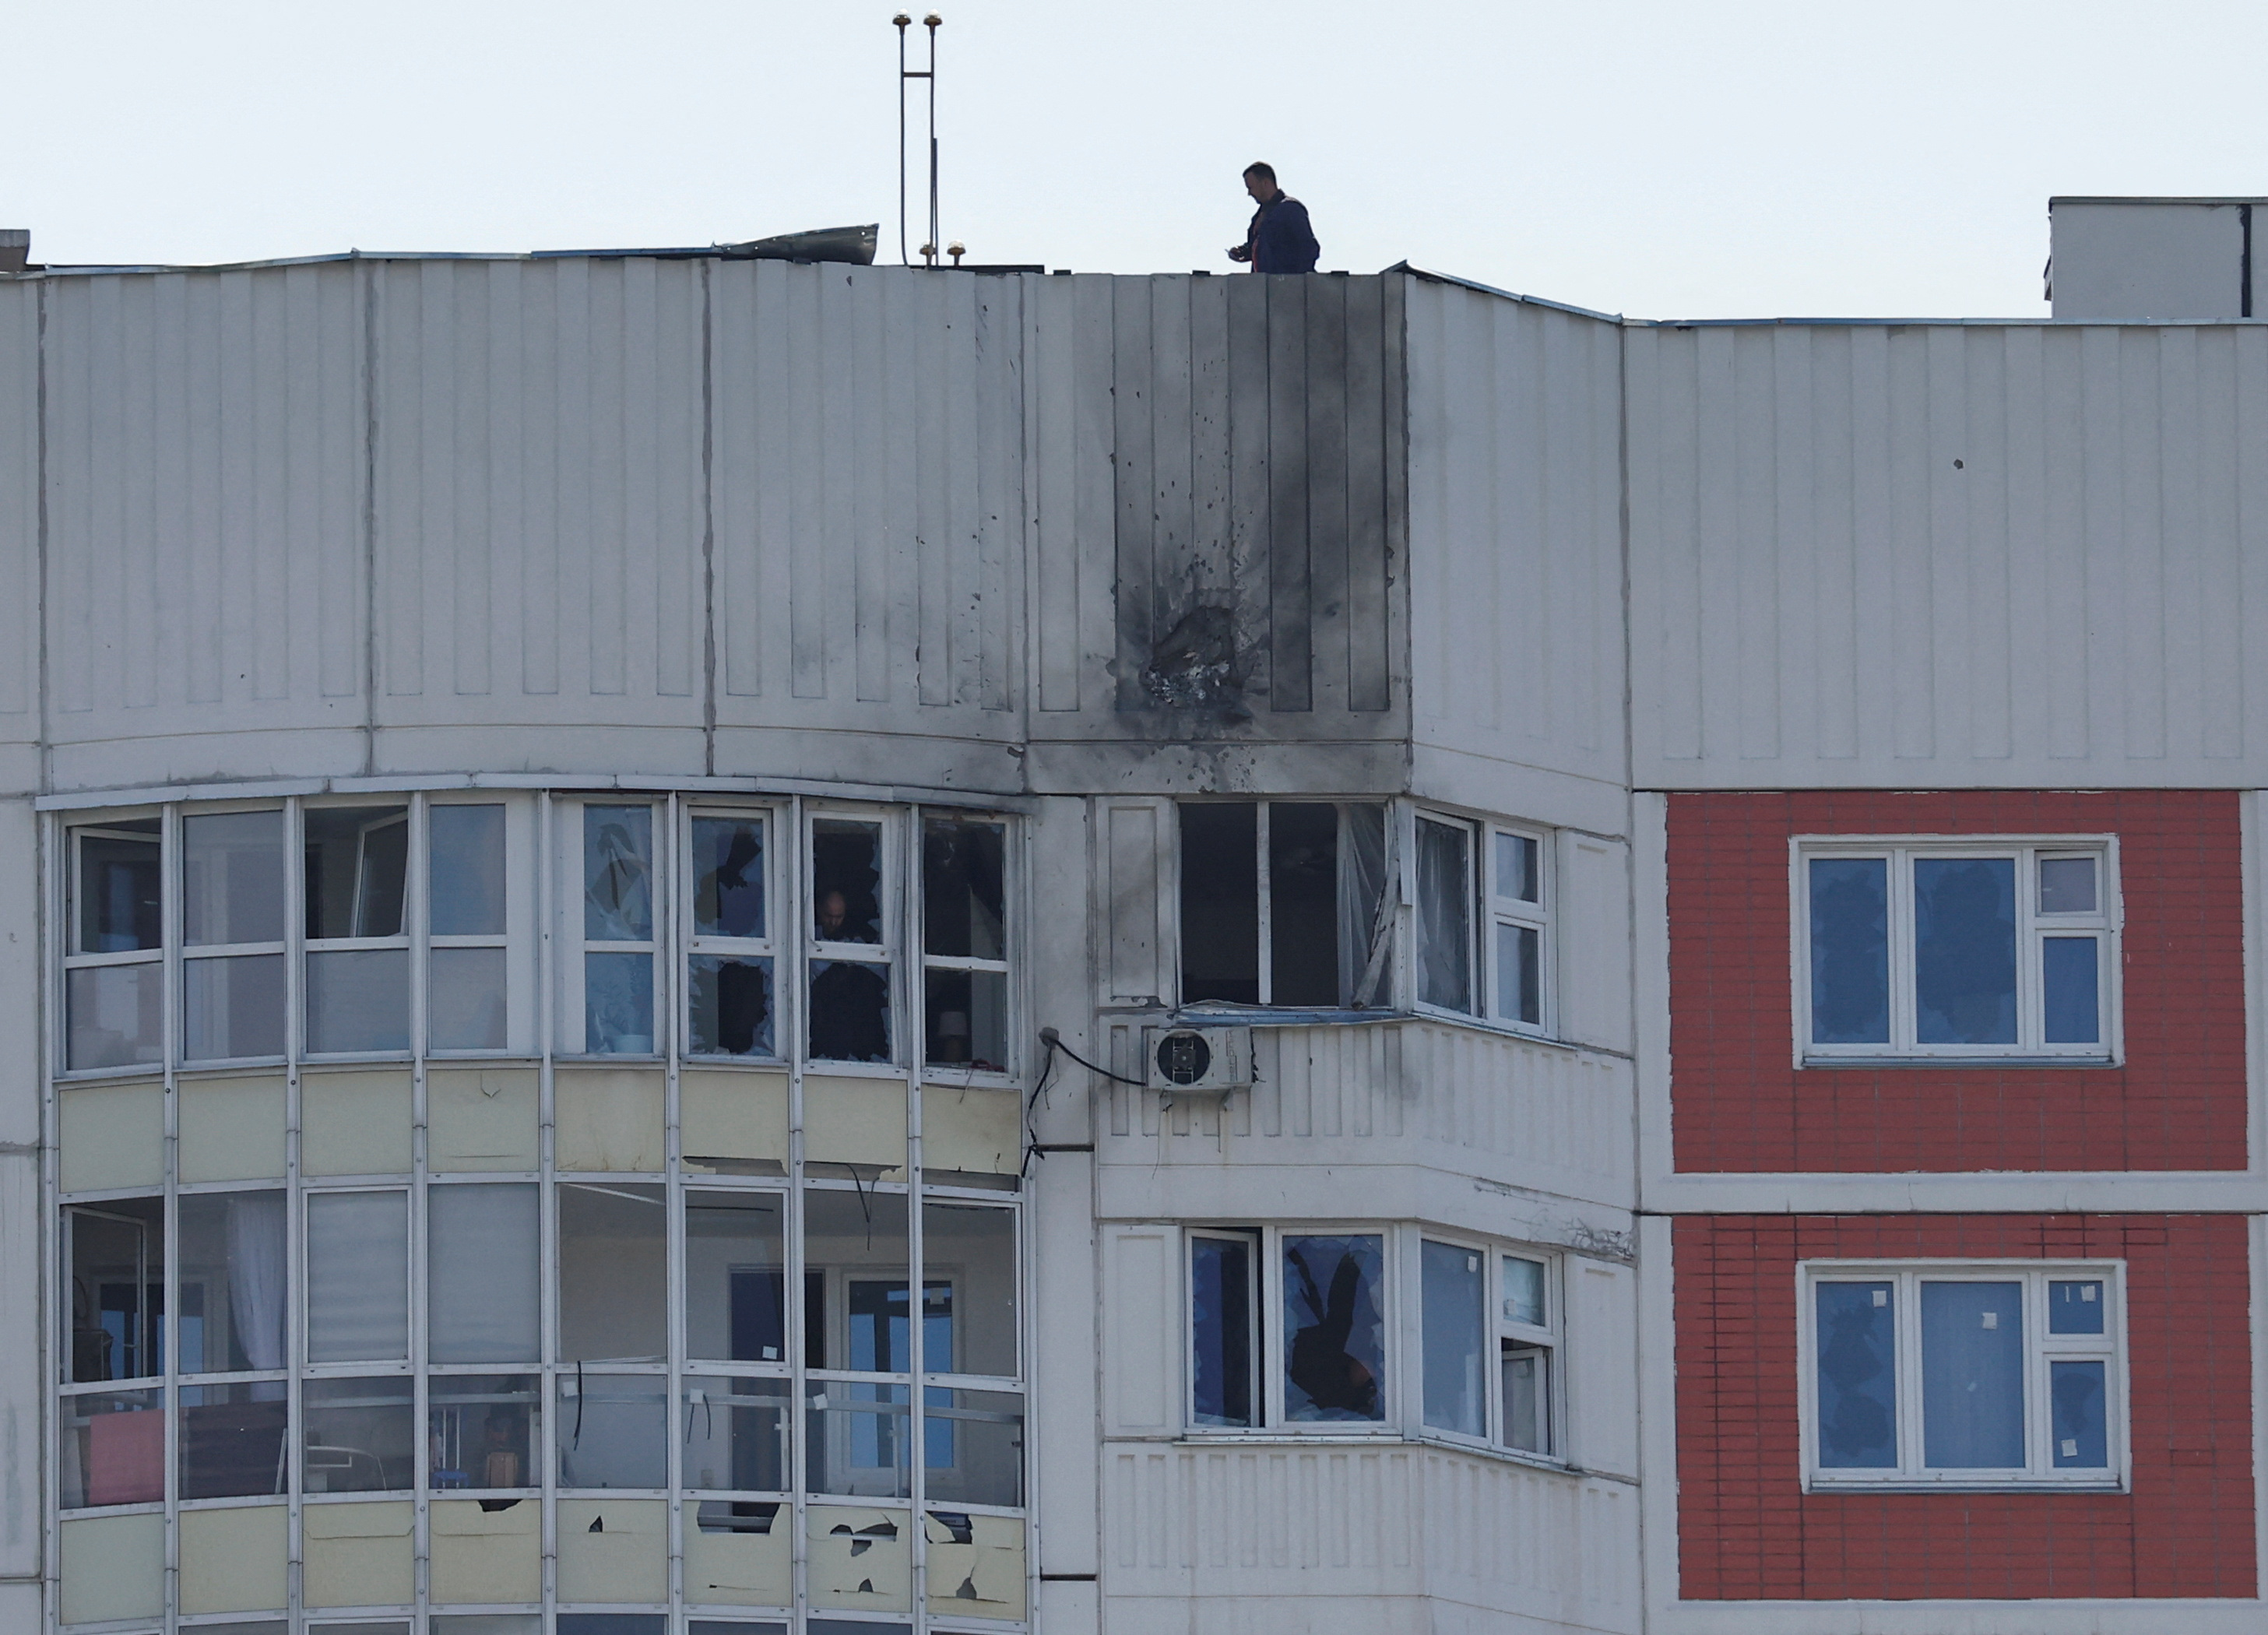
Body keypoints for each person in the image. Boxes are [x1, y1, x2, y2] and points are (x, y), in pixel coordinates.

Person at [1228, 162, 1320, 274]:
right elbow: (1260, 248)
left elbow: (1309, 248)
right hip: (1263, 285)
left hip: (1287, 286)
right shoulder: (1259, 216)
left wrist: (1295, 280)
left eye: (1251, 188)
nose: (1249, 193)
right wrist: (1242, 252)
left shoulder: (1290, 209)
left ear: (1265, 183)